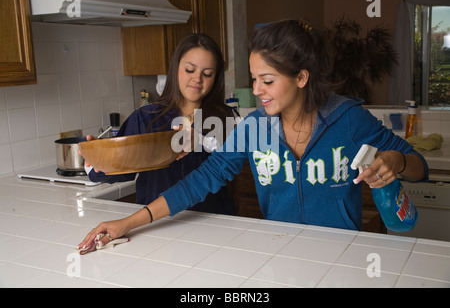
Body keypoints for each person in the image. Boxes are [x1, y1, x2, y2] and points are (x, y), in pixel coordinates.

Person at [79, 19, 428, 250]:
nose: (257, 90)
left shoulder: (349, 120)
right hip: (278, 252)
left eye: (268, 80)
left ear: (301, 78)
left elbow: (420, 166)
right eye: (254, 78)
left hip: (342, 254)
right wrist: (128, 222)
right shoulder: (253, 128)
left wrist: (396, 161)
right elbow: (198, 182)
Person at [85, 33, 236, 215]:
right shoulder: (145, 118)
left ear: (215, 77)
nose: (197, 79)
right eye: (190, 70)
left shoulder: (225, 117)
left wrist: (202, 141)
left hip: (215, 222)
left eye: (207, 73)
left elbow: (234, 163)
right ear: (176, 68)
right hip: (157, 223)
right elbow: (122, 169)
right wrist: (99, 157)